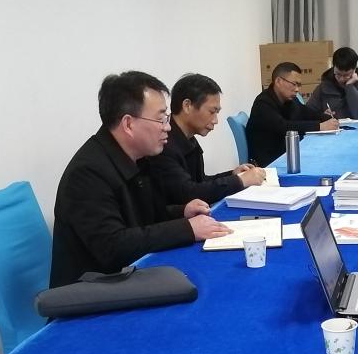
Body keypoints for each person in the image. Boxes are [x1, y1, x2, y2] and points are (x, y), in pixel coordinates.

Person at [49, 71, 233, 288]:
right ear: (128, 124)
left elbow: (145, 218)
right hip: (91, 290)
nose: (167, 127)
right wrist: (186, 228)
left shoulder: (138, 158)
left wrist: (182, 212)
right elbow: (113, 247)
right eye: (161, 119)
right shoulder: (88, 173)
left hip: (129, 275)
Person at [148, 73, 267, 206]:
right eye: (212, 112)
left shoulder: (189, 138)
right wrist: (240, 181)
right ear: (187, 106)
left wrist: (233, 175)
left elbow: (200, 181)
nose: (215, 120)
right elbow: (188, 193)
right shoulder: (163, 144)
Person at [246, 62, 338, 166]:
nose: (297, 89)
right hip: (269, 162)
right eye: (294, 84)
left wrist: (328, 118)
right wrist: (320, 126)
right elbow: (284, 127)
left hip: (286, 154)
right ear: (278, 81)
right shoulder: (263, 103)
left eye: (299, 85)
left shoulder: (289, 100)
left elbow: (306, 112)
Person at [306, 46, 358, 119]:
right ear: (333, 67)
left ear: (354, 70)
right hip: (332, 125)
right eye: (338, 74)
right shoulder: (323, 87)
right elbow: (308, 113)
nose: (341, 79)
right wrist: (322, 116)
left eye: (346, 75)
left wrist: (349, 87)